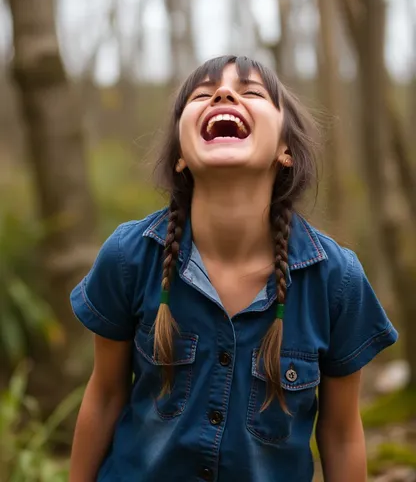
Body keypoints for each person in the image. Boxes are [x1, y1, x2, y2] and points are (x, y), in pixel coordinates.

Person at [69, 55, 398, 482]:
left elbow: (341, 432)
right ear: (180, 157)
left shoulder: (336, 280)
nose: (223, 94)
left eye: (252, 93)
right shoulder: (130, 256)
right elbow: (105, 395)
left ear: (285, 151)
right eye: (202, 94)